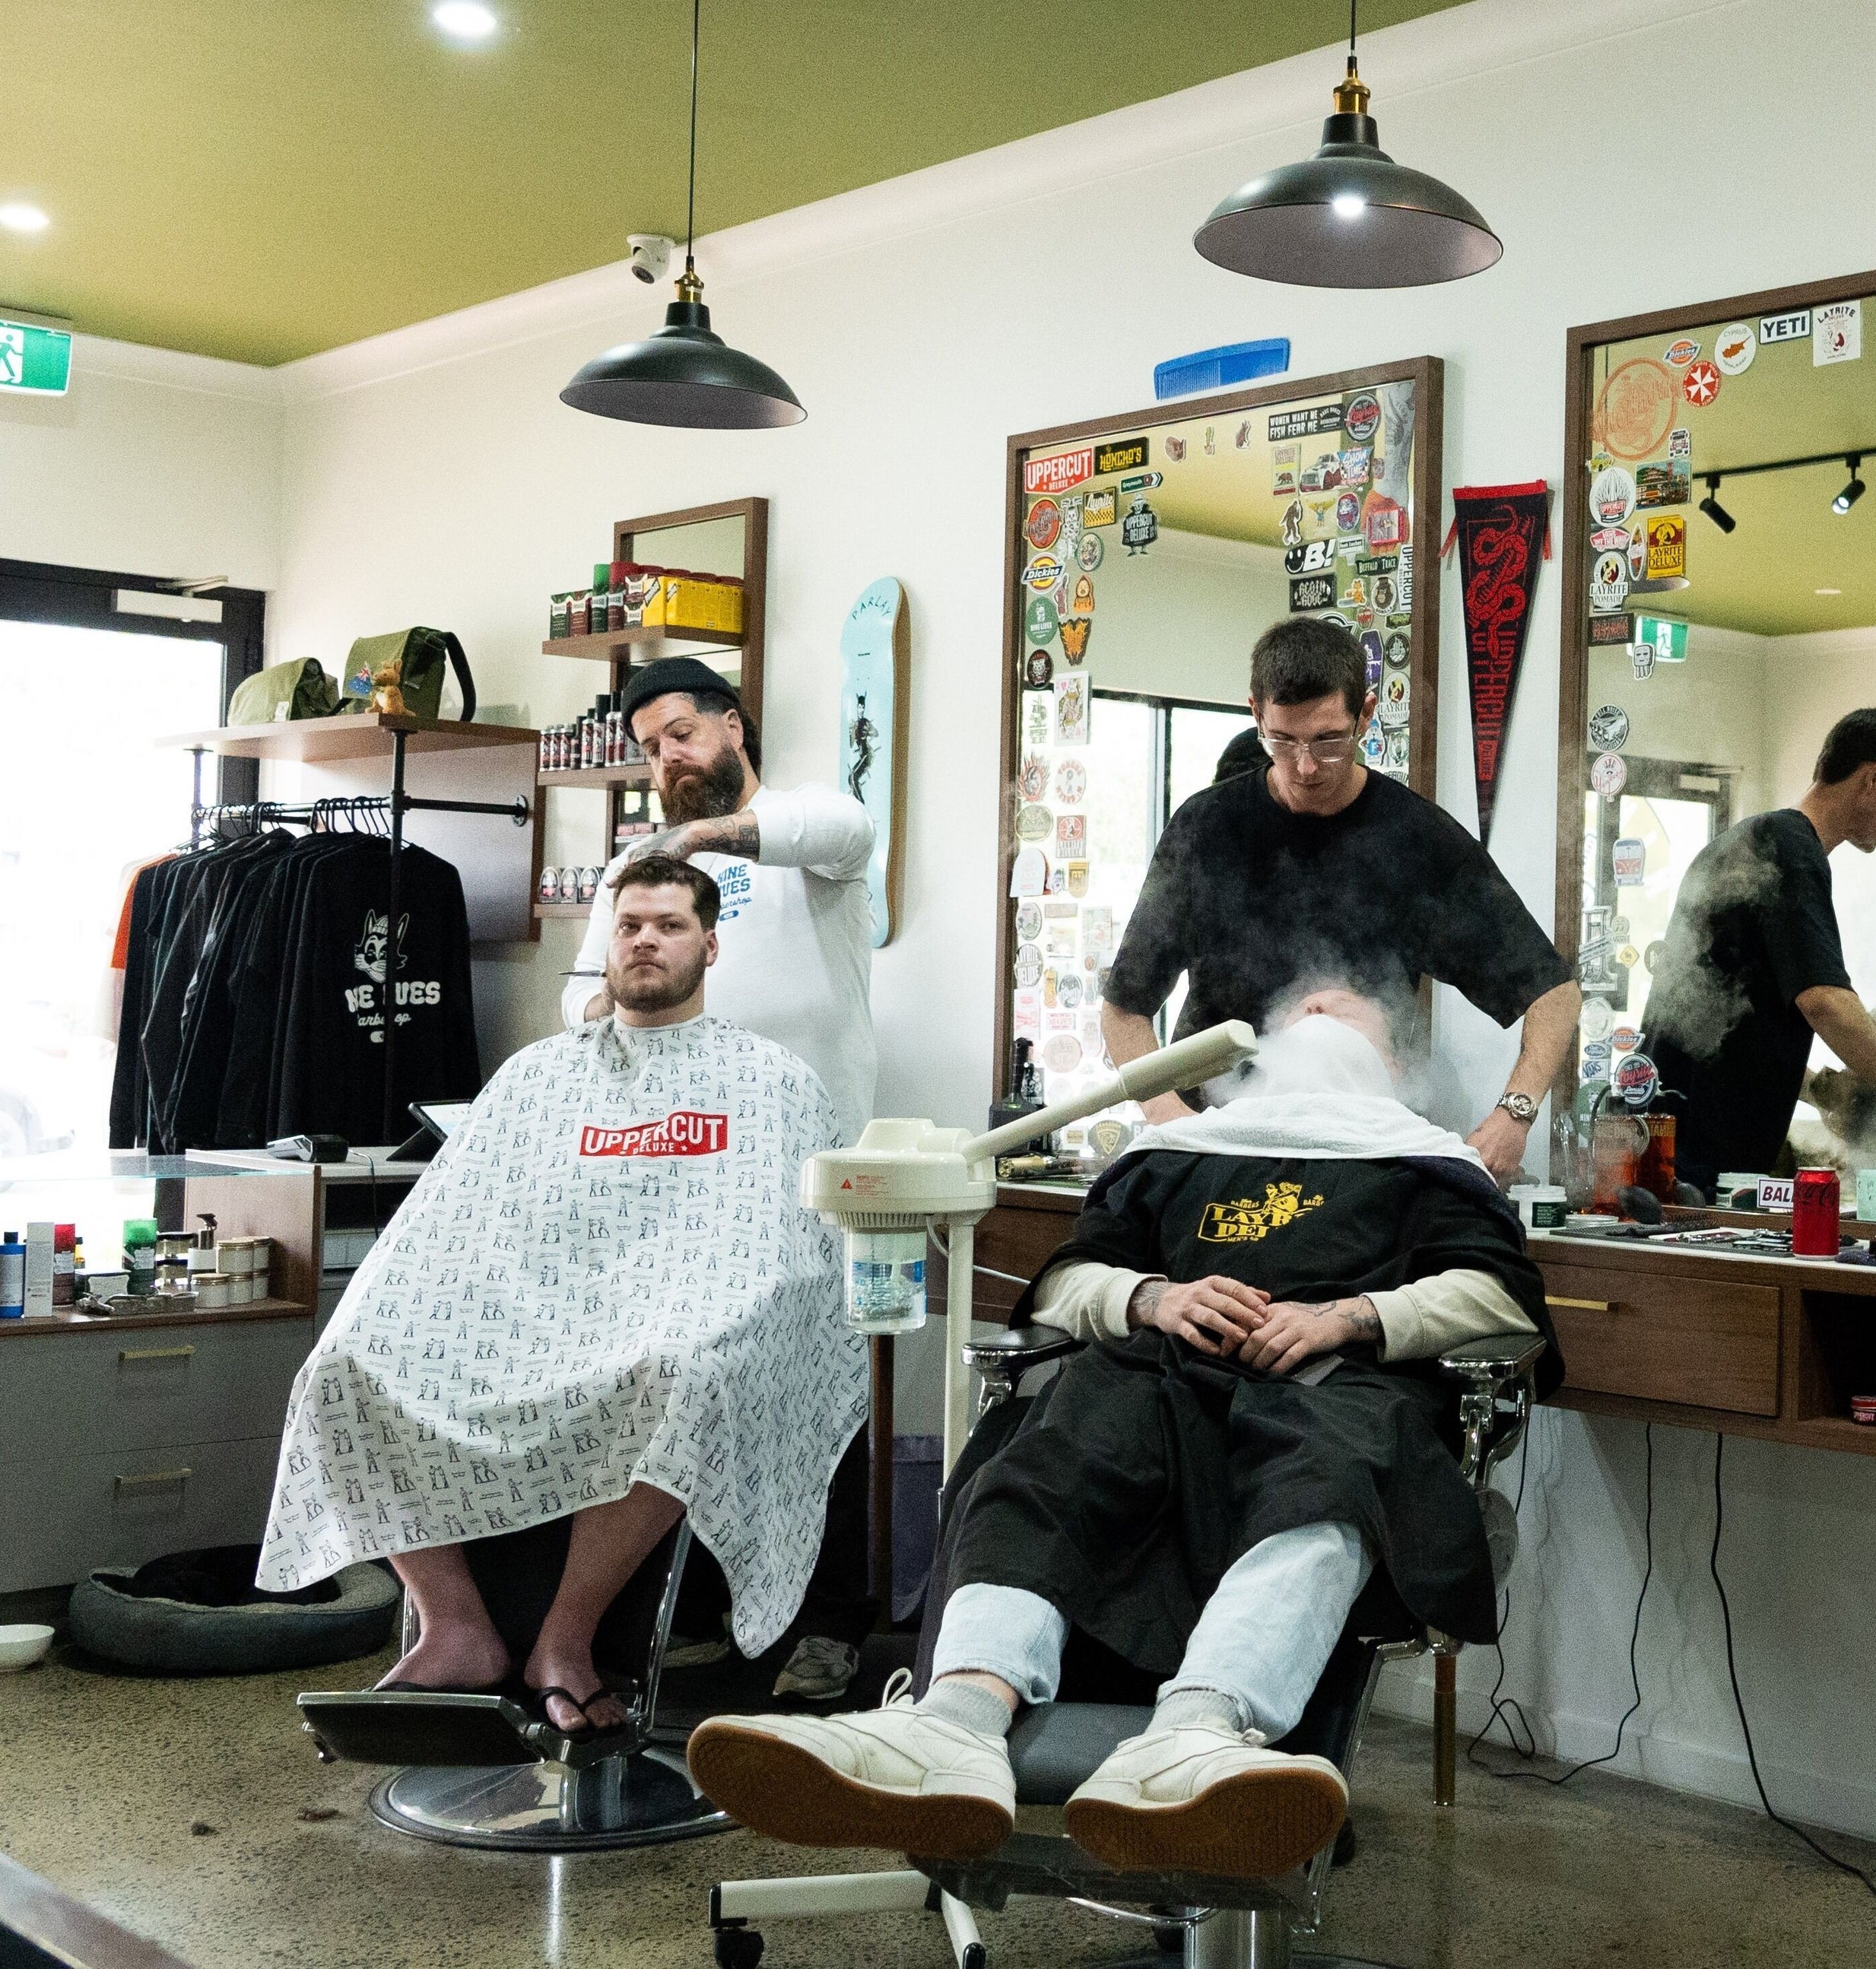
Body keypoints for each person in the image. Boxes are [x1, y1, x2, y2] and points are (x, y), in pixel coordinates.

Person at [686, 990, 1560, 1876]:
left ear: (1398, 1066)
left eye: (1352, 1006)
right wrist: (1152, 1296)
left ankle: (1197, 1736)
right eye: (1306, 1004)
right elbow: (1069, 1280)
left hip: (1334, 1390)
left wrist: (1354, 1314)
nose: (1324, 1006)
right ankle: (952, 1726)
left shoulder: (1422, 1162)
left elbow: (1499, 1296)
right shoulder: (1178, 1154)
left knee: (1331, 1480)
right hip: (1156, 1380)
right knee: (1046, 1452)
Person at [259, 856, 866, 1732]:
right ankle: (455, 1623)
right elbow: (454, 1226)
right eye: (630, 925)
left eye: (670, 924)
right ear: (607, 947)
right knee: (345, 1365)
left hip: (670, 1325)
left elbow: (789, 1250)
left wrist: (688, 1313)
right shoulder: (537, 1076)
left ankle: (567, 1638)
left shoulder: (770, 1080)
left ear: (711, 944)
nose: (647, 939)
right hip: (527, 1321)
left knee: (685, 1372)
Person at [1100, 618, 1577, 1177]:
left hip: (1358, 1153)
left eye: (1328, 740)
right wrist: (1170, 1119)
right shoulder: (1206, 829)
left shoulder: (1418, 842)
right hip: (1215, 1145)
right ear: (1255, 713)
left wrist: (1513, 1118)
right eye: (1282, 740)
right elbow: (1123, 1009)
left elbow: (1554, 996)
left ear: (1366, 714)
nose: (1304, 766)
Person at [560, 656, 878, 1132]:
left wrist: (698, 836)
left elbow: (851, 828)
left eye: (681, 734)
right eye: (651, 748)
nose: (667, 756)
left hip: (806, 1130)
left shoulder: (799, 819)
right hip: (678, 1128)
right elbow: (578, 998)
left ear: (733, 729)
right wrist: (622, 990)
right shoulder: (633, 868)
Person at [1641, 707, 1876, 1193]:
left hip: (1671, 1139)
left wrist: (1819, 1087)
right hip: (1703, 1157)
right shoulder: (1791, 851)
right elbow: (1825, 1000)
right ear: (1874, 777)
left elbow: (1723, 1021)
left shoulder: (1748, 842)